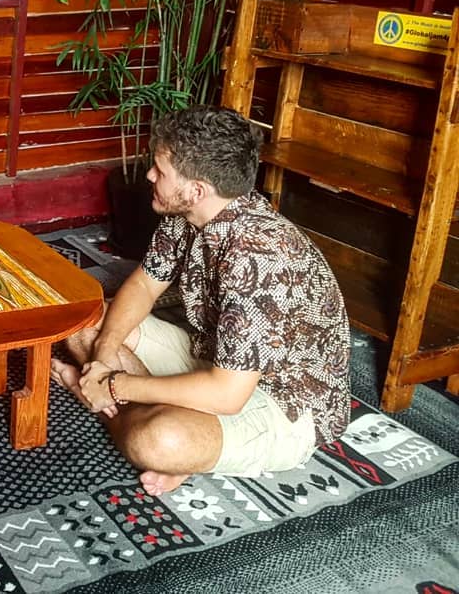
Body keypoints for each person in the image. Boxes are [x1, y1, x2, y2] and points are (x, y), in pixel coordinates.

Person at [52, 106, 350, 496]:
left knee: (158, 440)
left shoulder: (259, 257)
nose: (149, 175)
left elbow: (228, 394)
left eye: (160, 171)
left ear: (196, 190)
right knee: (83, 322)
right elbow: (143, 286)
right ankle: (186, 439)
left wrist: (114, 387)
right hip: (211, 357)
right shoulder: (188, 213)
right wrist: (105, 355)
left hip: (282, 403)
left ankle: (159, 435)